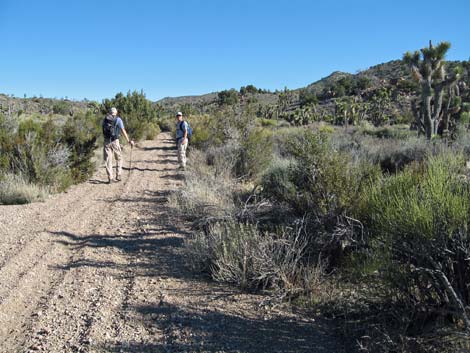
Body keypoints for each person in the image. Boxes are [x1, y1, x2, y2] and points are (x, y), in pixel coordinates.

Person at [102, 107, 134, 183]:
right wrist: (128, 140)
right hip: (115, 141)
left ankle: (110, 178)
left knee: (108, 160)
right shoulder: (118, 119)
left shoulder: (104, 120)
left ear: (109, 112)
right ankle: (118, 175)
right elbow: (123, 130)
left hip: (106, 141)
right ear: (116, 113)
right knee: (119, 158)